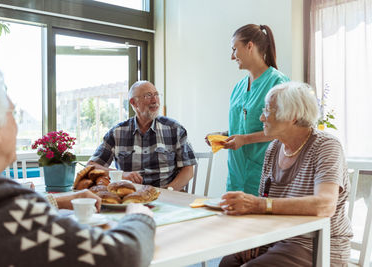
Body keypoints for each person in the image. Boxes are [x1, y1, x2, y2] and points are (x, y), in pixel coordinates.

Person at [0, 56, 156, 267]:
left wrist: (59, 201)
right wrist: (140, 215)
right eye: (13, 113)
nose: (17, 125)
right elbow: (122, 256)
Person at [219, 81, 353, 267]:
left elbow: (325, 205)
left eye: (268, 111)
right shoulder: (274, 148)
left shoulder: (326, 146)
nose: (261, 118)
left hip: (316, 244)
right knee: (228, 262)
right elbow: (264, 199)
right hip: (279, 237)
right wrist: (253, 236)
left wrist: (258, 205)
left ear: (293, 116)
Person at [205, 24, 289, 196]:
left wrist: (244, 139)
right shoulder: (239, 87)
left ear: (249, 46)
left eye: (234, 49)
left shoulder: (278, 83)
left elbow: (284, 130)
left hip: (263, 175)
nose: (232, 56)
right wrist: (224, 136)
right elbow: (244, 126)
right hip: (236, 175)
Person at [88, 80, 197, 191]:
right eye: (148, 95)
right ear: (133, 103)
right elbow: (91, 167)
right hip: (130, 197)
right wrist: (121, 174)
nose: (155, 100)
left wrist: (168, 190)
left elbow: (188, 170)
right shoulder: (117, 133)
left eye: (156, 95)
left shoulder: (175, 129)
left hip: (167, 196)